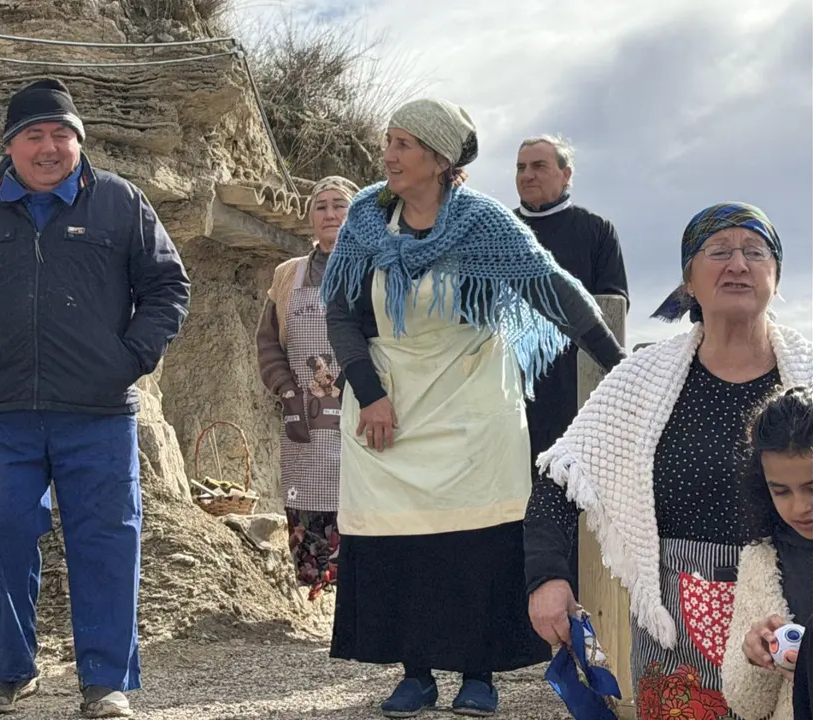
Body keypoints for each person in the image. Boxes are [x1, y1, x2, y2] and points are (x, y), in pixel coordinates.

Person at [0, 78, 190, 718]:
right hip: (3, 413)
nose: (50, 147)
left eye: (63, 135)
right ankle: (11, 671)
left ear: (79, 142)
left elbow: (168, 286)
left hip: (99, 410)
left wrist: (130, 359)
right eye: (35, 135)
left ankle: (105, 681)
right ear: (10, 146)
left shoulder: (121, 202)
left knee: (106, 538)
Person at [320, 97, 625, 717]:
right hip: (389, 399)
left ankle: (479, 672)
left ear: (438, 158)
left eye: (404, 143)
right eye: (389, 141)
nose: (390, 155)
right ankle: (415, 671)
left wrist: (622, 369)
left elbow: (557, 292)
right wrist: (369, 393)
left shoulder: (484, 223)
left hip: (472, 398)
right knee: (397, 535)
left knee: (478, 535)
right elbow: (343, 313)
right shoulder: (364, 219)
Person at [528, 203, 812, 719]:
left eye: (755, 252)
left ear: (776, 274)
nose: (738, 265)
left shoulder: (809, 378)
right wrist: (547, 578)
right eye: (719, 252)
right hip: (674, 624)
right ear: (688, 282)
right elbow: (558, 476)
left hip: (794, 613)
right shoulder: (642, 380)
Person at [514, 136, 628, 597]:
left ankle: (577, 599)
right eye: (520, 166)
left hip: (575, 392)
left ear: (566, 174)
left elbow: (613, 306)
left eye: (539, 165)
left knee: (570, 492)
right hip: (510, 389)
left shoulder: (597, 230)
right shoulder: (500, 233)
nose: (527, 175)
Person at [256, 174, 359, 601]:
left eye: (340, 205)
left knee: (360, 506)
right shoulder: (288, 275)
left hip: (358, 412)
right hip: (304, 417)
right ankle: (321, 593)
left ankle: (360, 604)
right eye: (321, 206)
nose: (330, 213)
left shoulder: (371, 269)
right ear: (309, 216)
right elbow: (268, 342)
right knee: (307, 504)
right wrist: (286, 392)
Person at [723, 386, 812, 720]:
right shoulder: (762, 559)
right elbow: (746, 704)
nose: (801, 507)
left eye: (812, 487)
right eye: (781, 491)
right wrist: (753, 656)